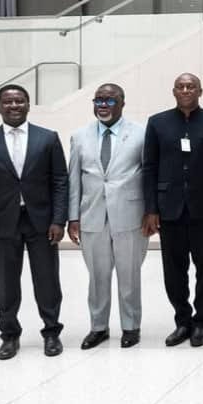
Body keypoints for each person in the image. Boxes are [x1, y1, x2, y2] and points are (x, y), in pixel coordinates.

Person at [0, 84, 68, 360]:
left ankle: (51, 332)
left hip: (42, 223)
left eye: (20, 101)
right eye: (8, 102)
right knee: (6, 284)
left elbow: (60, 181)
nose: (14, 106)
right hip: (2, 225)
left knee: (47, 281)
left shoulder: (47, 138)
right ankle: (9, 335)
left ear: (28, 105)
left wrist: (59, 219)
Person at [142, 73, 203, 348]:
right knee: (173, 270)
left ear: (200, 91)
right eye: (181, 86)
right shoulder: (157, 124)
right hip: (170, 210)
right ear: (173, 91)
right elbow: (149, 168)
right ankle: (182, 320)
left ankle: (201, 321)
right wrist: (151, 209)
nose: (186, 90)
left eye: (191, 86)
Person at [67, 83, 148, 350]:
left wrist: (151, 213)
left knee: (129, 275)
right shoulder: (79, 137)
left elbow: (149, 175)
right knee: (97, 276)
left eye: (110, 100)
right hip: (92, 217)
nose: (103, 105)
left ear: (122, 103)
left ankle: (130, 326)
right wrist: (73, 217)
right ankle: (98, 327)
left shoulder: (141, 133)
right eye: (99, 100)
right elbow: (74, 180)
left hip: (130, 215)